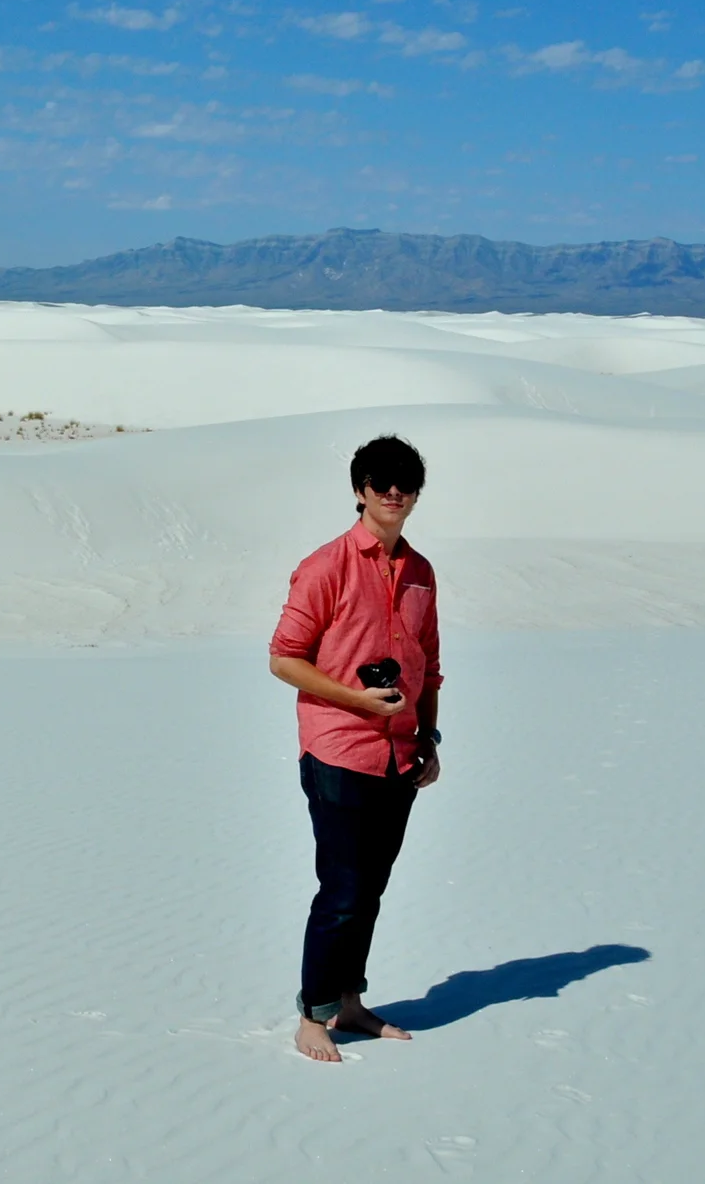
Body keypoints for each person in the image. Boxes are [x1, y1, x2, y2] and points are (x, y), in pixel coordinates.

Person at [268, 434, 441, 1062]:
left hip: (400, 754)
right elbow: (283, 659)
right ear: (360, 491)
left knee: (371, 886)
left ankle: (348, 1002)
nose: (393, 493)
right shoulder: (326, 567)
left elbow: (432, 665)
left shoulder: (420, 572)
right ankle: (313, 1016)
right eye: (380, 483)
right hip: (339, 748)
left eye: (405, 483)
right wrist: (360, 701)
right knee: (342, 887)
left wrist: (428, 736)